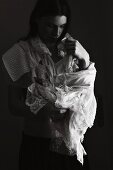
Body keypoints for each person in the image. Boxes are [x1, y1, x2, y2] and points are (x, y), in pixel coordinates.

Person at [2, 0, 96, 169]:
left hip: (70, 144)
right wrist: (40, 111)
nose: (57, 32)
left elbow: (85, 93)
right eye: (50, 26)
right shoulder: (21, 52)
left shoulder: (71, 47)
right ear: (37, 19)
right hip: (37, 144)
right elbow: (13, 104)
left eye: (62, 26)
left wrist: (84, 57)